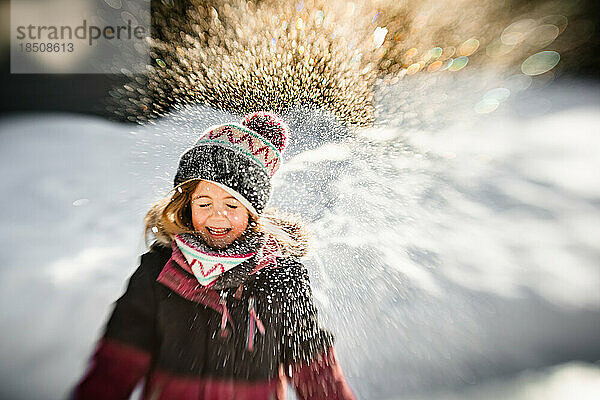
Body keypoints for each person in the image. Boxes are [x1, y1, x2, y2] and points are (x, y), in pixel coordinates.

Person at [73, 111, 355, 399]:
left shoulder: (280, 278)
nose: (217, 216)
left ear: (252, 212)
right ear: (187, 205)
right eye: (204, 202)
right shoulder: (159, 272)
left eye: (233, 205)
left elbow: (315, 369)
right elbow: (116, 364)